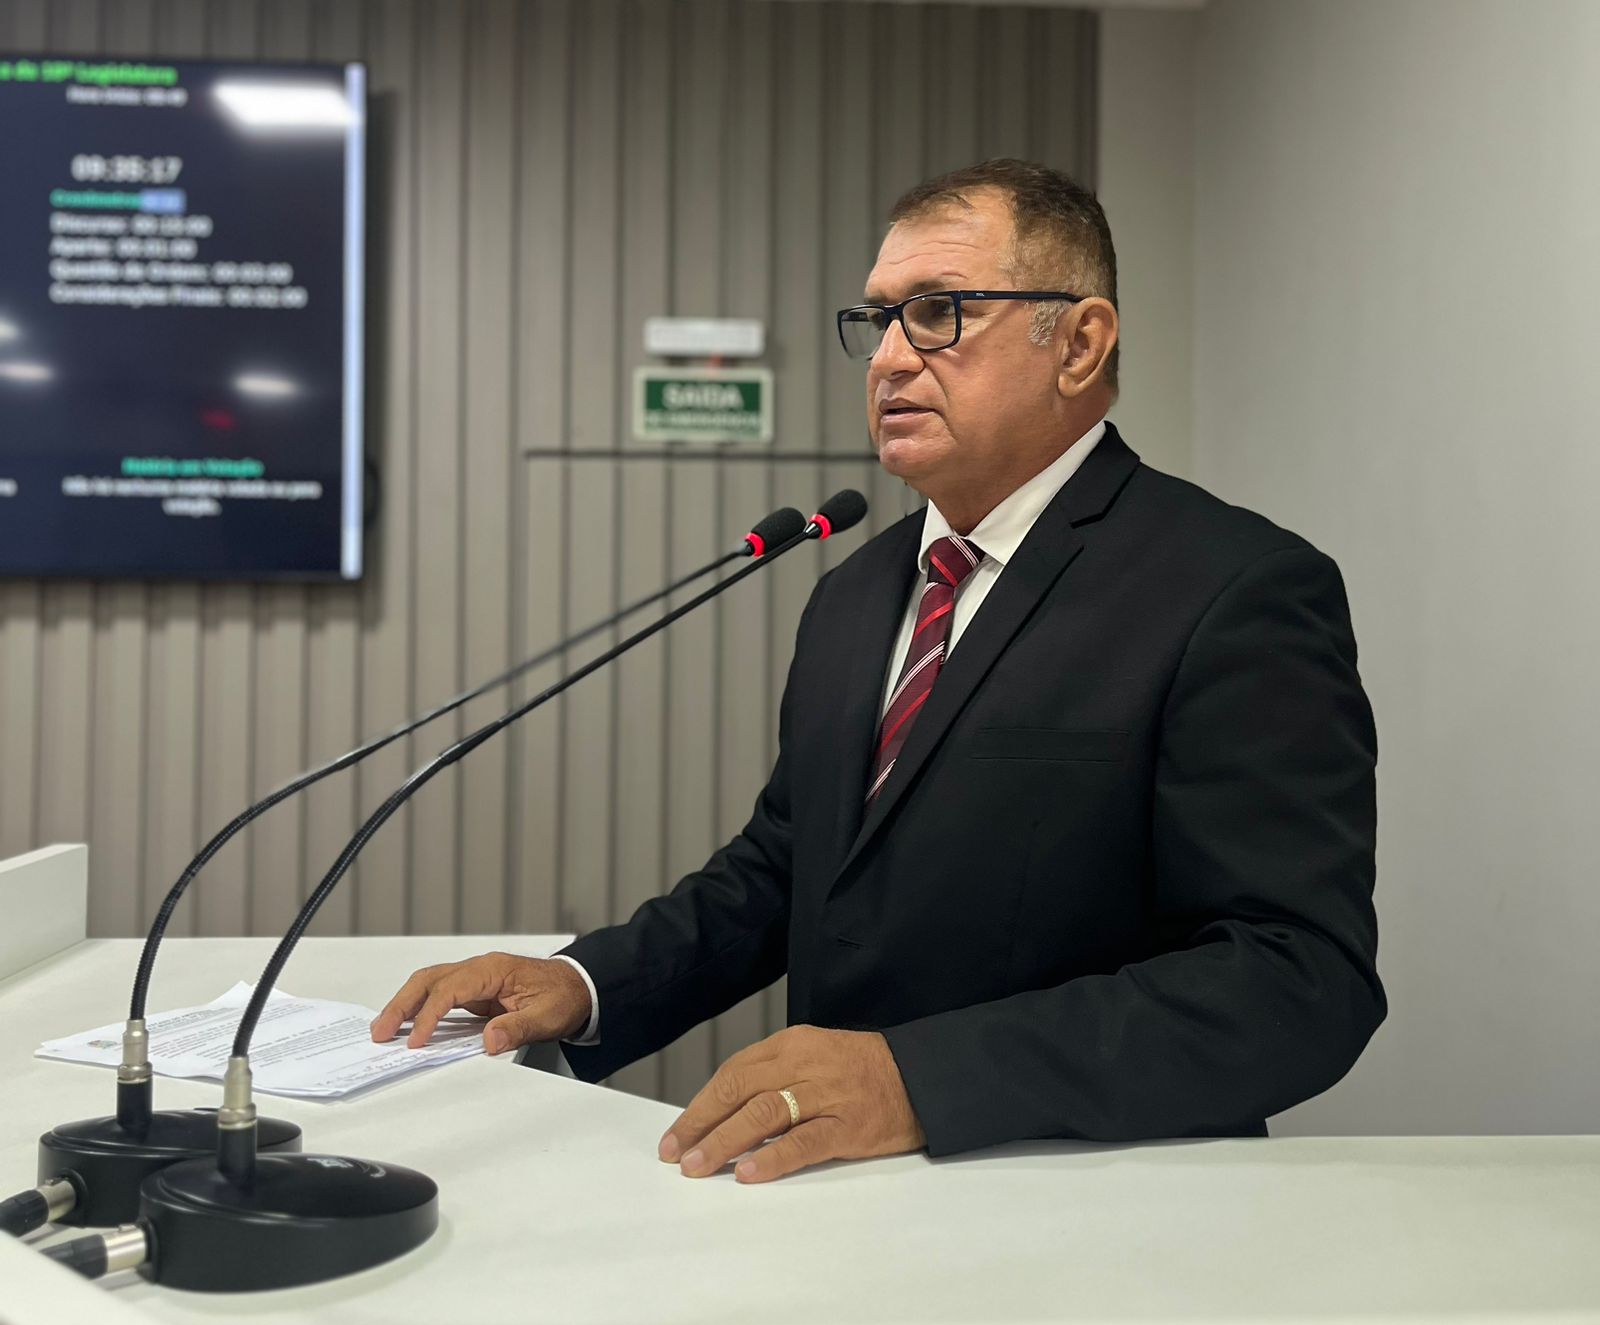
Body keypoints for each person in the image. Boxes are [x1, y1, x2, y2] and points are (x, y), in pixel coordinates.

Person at [372, 159, 1384, 1185]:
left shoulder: (1232, 586)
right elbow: (788, 864)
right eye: (880, 318)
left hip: (1092, 1200)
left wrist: (915, 1076)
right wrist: (588, 980)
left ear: (1078, 343)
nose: (890, 357)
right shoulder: (857, 591)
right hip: (844, 1198)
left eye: (939, 313)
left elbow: (1296, 979)